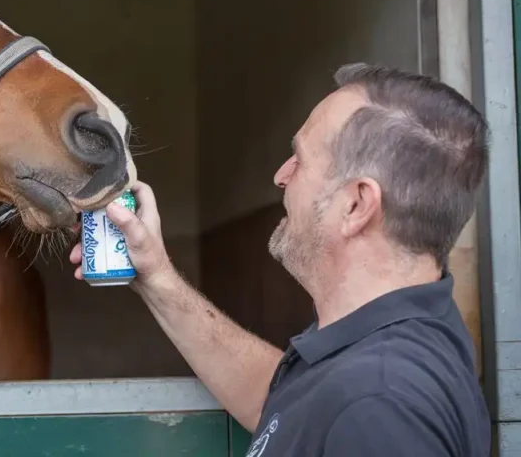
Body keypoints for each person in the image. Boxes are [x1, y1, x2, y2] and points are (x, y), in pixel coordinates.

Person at [72, 63, 491, 456]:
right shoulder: (387, 338)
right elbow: (280, 403)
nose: (281, 175)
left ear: (356, 205)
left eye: (301, 159)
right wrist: (156, 275)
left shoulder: (379, 408)